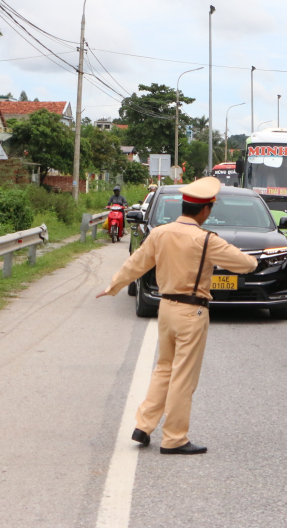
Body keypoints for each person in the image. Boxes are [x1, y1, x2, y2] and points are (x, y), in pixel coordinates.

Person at [96, 176, 258, 454]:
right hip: (191, 312)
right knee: (183, 376)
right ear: (205, 210)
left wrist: (113, 286)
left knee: (163, 368)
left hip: (166, 308)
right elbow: (247, 264)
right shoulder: (207, 240)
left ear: (183, 206)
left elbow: (136, 264)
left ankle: (144, 425)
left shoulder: (160, 233)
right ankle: (174, 438)